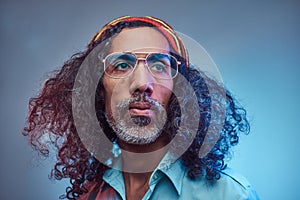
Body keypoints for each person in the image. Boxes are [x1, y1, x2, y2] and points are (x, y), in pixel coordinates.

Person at [22, 16, 259, 199]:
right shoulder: (89, 195)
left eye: (159, 66)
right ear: (97, 91)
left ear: (180, 92)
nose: (142, 84)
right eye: (122, 65)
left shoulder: (230, 195)